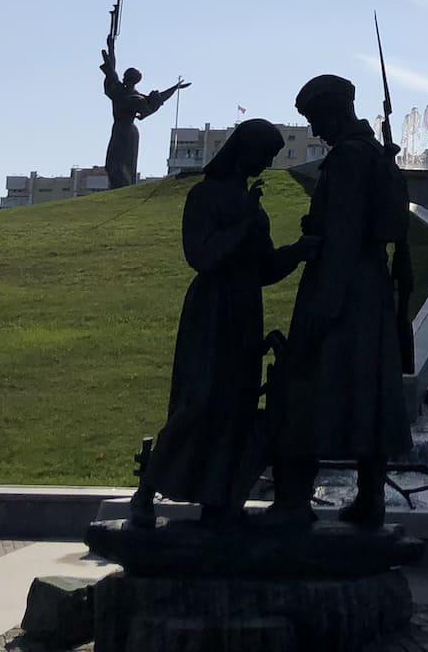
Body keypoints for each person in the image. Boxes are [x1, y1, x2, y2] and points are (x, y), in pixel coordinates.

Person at [139, 119, 316, 522]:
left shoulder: (250, 204)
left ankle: (219, 500)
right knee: (197, 402)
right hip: (211, 312)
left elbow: (264, 268)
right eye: (263, 155)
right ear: (243, 150)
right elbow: (201, 255)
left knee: (236, 404)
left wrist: (299, 251)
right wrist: (244, 224)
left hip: (243, 310)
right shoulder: (205, 196)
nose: (266, 163)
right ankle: (145, 491)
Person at [268, 74, 411, 527]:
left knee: (307, 382)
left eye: (315, 119)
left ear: (334, 111)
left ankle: (294, 501)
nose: (314, 131)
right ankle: (371, 498)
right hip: (367, 287)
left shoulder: (349, 158)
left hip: (341, 284)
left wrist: (325, 304)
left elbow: (347, 232)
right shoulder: (373, 154)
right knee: (370, 389)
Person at [100, 40, 186, 189]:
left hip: (126, 131)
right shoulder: (120, 90)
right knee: (112, 164)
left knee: (122, 165)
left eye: (127, 76)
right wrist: (111, 47)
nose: (124, 78)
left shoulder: (133, 97)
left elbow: (156, 101)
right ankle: (118, 189)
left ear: (131, 79)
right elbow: (112, 70)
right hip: (120, 130)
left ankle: (122, 190)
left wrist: (175, 88)